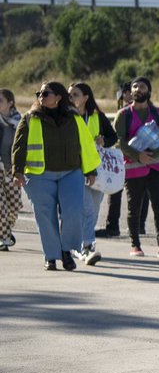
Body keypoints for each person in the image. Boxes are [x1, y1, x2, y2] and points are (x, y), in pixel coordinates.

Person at [10, 82, 100, 271]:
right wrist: (17, 172)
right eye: (39, 93)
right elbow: (19, 146)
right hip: (39, 175)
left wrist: (91, 170)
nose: (40, 96)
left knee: (73, 211)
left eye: (45, 93)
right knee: (45, 216)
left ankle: (67, 251)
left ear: (58, 97)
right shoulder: (30, 118)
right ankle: (51, 257)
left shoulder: (74, 117)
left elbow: (86, 144)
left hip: (71, 172)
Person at [114, 76, 159, 258]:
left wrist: (155, 155)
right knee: (134, 208)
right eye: (135, 86)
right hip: (133, 169)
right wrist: (138, 155)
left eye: (142, 86)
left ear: (149, 91)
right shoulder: (124, 114)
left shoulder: (157, 113)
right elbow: (118, 141)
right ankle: (135, 245)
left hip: (156, 168)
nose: (138, 89)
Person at [68, 82, 118, 265]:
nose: (71, 98)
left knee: (94, 210)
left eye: (75, 94)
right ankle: (87, 246)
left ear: (86, 98)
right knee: (86, 209)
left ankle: (78, 244)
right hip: (75, 169)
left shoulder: (97, 116)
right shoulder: (66, 117)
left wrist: (104, 140)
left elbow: (113, 137)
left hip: (97, 171)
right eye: (69, 95)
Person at [96, 82, 144, 238]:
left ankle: (113, 226)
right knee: (140, 192)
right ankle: (139, 226)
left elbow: (116, 136)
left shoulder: (126, 112)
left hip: (126, 156)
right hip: (139, 155)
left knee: (116, 190)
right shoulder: (144, 109)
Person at [1, 88, 23, 252]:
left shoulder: (19, 122)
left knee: (14, 206)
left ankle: (6, 230)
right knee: (1, 206)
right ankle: (4, 237)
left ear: (10, 103)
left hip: (12, 169)